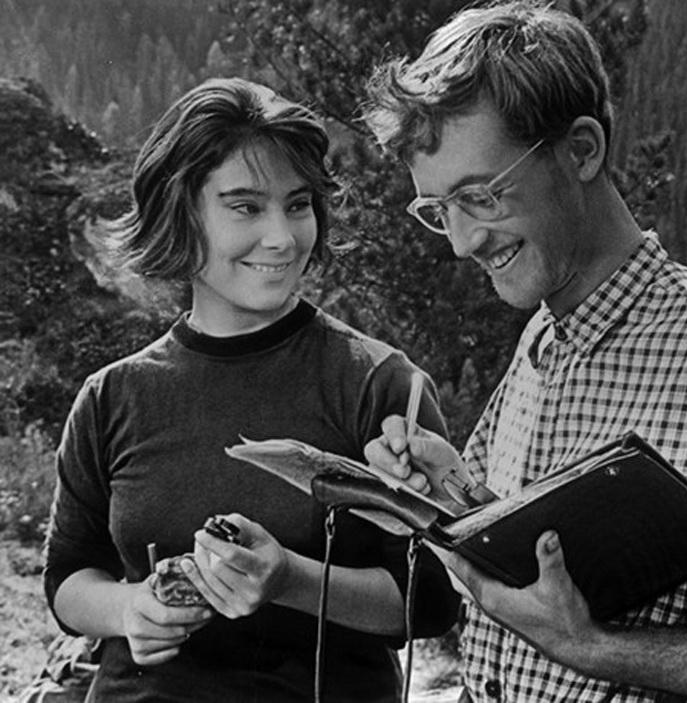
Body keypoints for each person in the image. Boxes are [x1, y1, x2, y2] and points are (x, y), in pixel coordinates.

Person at [361, 3, 687, 702]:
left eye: (480, 196)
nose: (462, 242)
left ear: (581, 150)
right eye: (439, 211)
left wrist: (597, 649)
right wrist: (453, 493)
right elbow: (543, 566)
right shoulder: (542, 337)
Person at [43, 76, 459, 702]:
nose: (283, 238)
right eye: (245, 207)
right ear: (180, 211)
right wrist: (129, 609)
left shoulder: (380, 383)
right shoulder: (112, 395)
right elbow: (69, 578)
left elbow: (429, 603)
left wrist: (291, 579)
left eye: (298, 204)